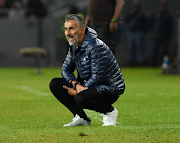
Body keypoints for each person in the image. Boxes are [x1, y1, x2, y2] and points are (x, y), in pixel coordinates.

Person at [49, 14, 125, 127]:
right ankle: (81, 118)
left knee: (81, 98)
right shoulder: (74, 45)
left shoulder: (96, 46)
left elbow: (98, 76)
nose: (68, 33)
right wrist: (75, 84)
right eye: (66, 29)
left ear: (82, 30)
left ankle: (110, 111)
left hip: (110, 88)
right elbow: (65, 69)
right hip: (89, 86)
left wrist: (78, 91)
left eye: (71, 28)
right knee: (55, 84)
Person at [150, 1, 173, 67]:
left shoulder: (168, 16)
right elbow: (151, 23)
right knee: (155, 50)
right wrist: (153, 32)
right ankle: (153, 65)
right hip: (157, 34)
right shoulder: (156, 14)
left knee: (165, 52)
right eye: (162, 6)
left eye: (164, 6)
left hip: (165, 35)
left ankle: (163, 64)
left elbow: (170, 27)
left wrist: (169, 36)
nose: (162, 7)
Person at [124, 1, 147, 66]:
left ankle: (142, 62)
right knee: (131, 48)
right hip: (131, 32)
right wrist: (131, 13)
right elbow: (126, 19)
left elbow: (145, 24)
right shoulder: (131, 12)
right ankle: (132, 62)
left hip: (139, 32)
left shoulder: (141, 14)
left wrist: (143, 32)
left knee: (140, 48)